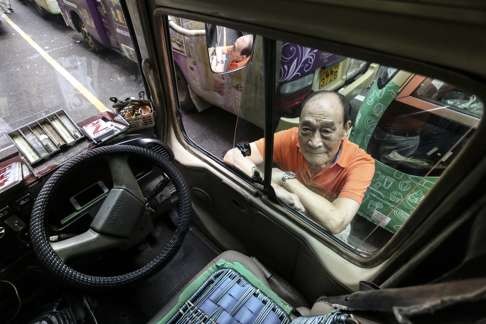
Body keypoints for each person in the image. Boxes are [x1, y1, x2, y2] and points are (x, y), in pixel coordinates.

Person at [224, 91, 375, 235]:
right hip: (291, 208)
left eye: (327, 131)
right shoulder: (291, 138)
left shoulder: (361, 163)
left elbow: (336, 222)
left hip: (324, 228)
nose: (314, 142)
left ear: (346, 129)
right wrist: (267, 181)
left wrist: (284, 178)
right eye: (307, 129)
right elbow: (233, 156)